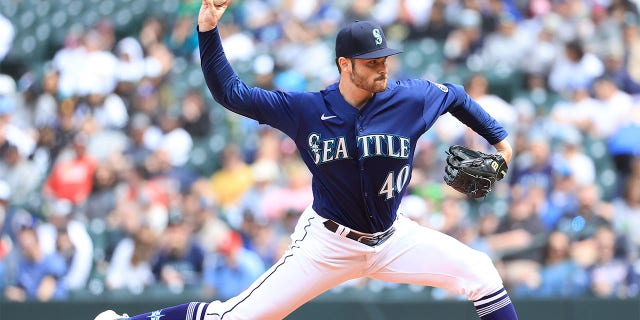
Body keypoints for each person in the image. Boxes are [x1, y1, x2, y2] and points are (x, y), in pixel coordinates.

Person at [94, 0, 517, 319]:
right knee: (235, 317)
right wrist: (208, 28)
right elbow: (232, 94)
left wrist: (499, 140)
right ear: (345, 65)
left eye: (385, 58)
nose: (383, 68)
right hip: (327, 244)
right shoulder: (307, 110)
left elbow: (456, 96)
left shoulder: (409, 97)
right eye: (372, 62)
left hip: (393, 238)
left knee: (481, 272)